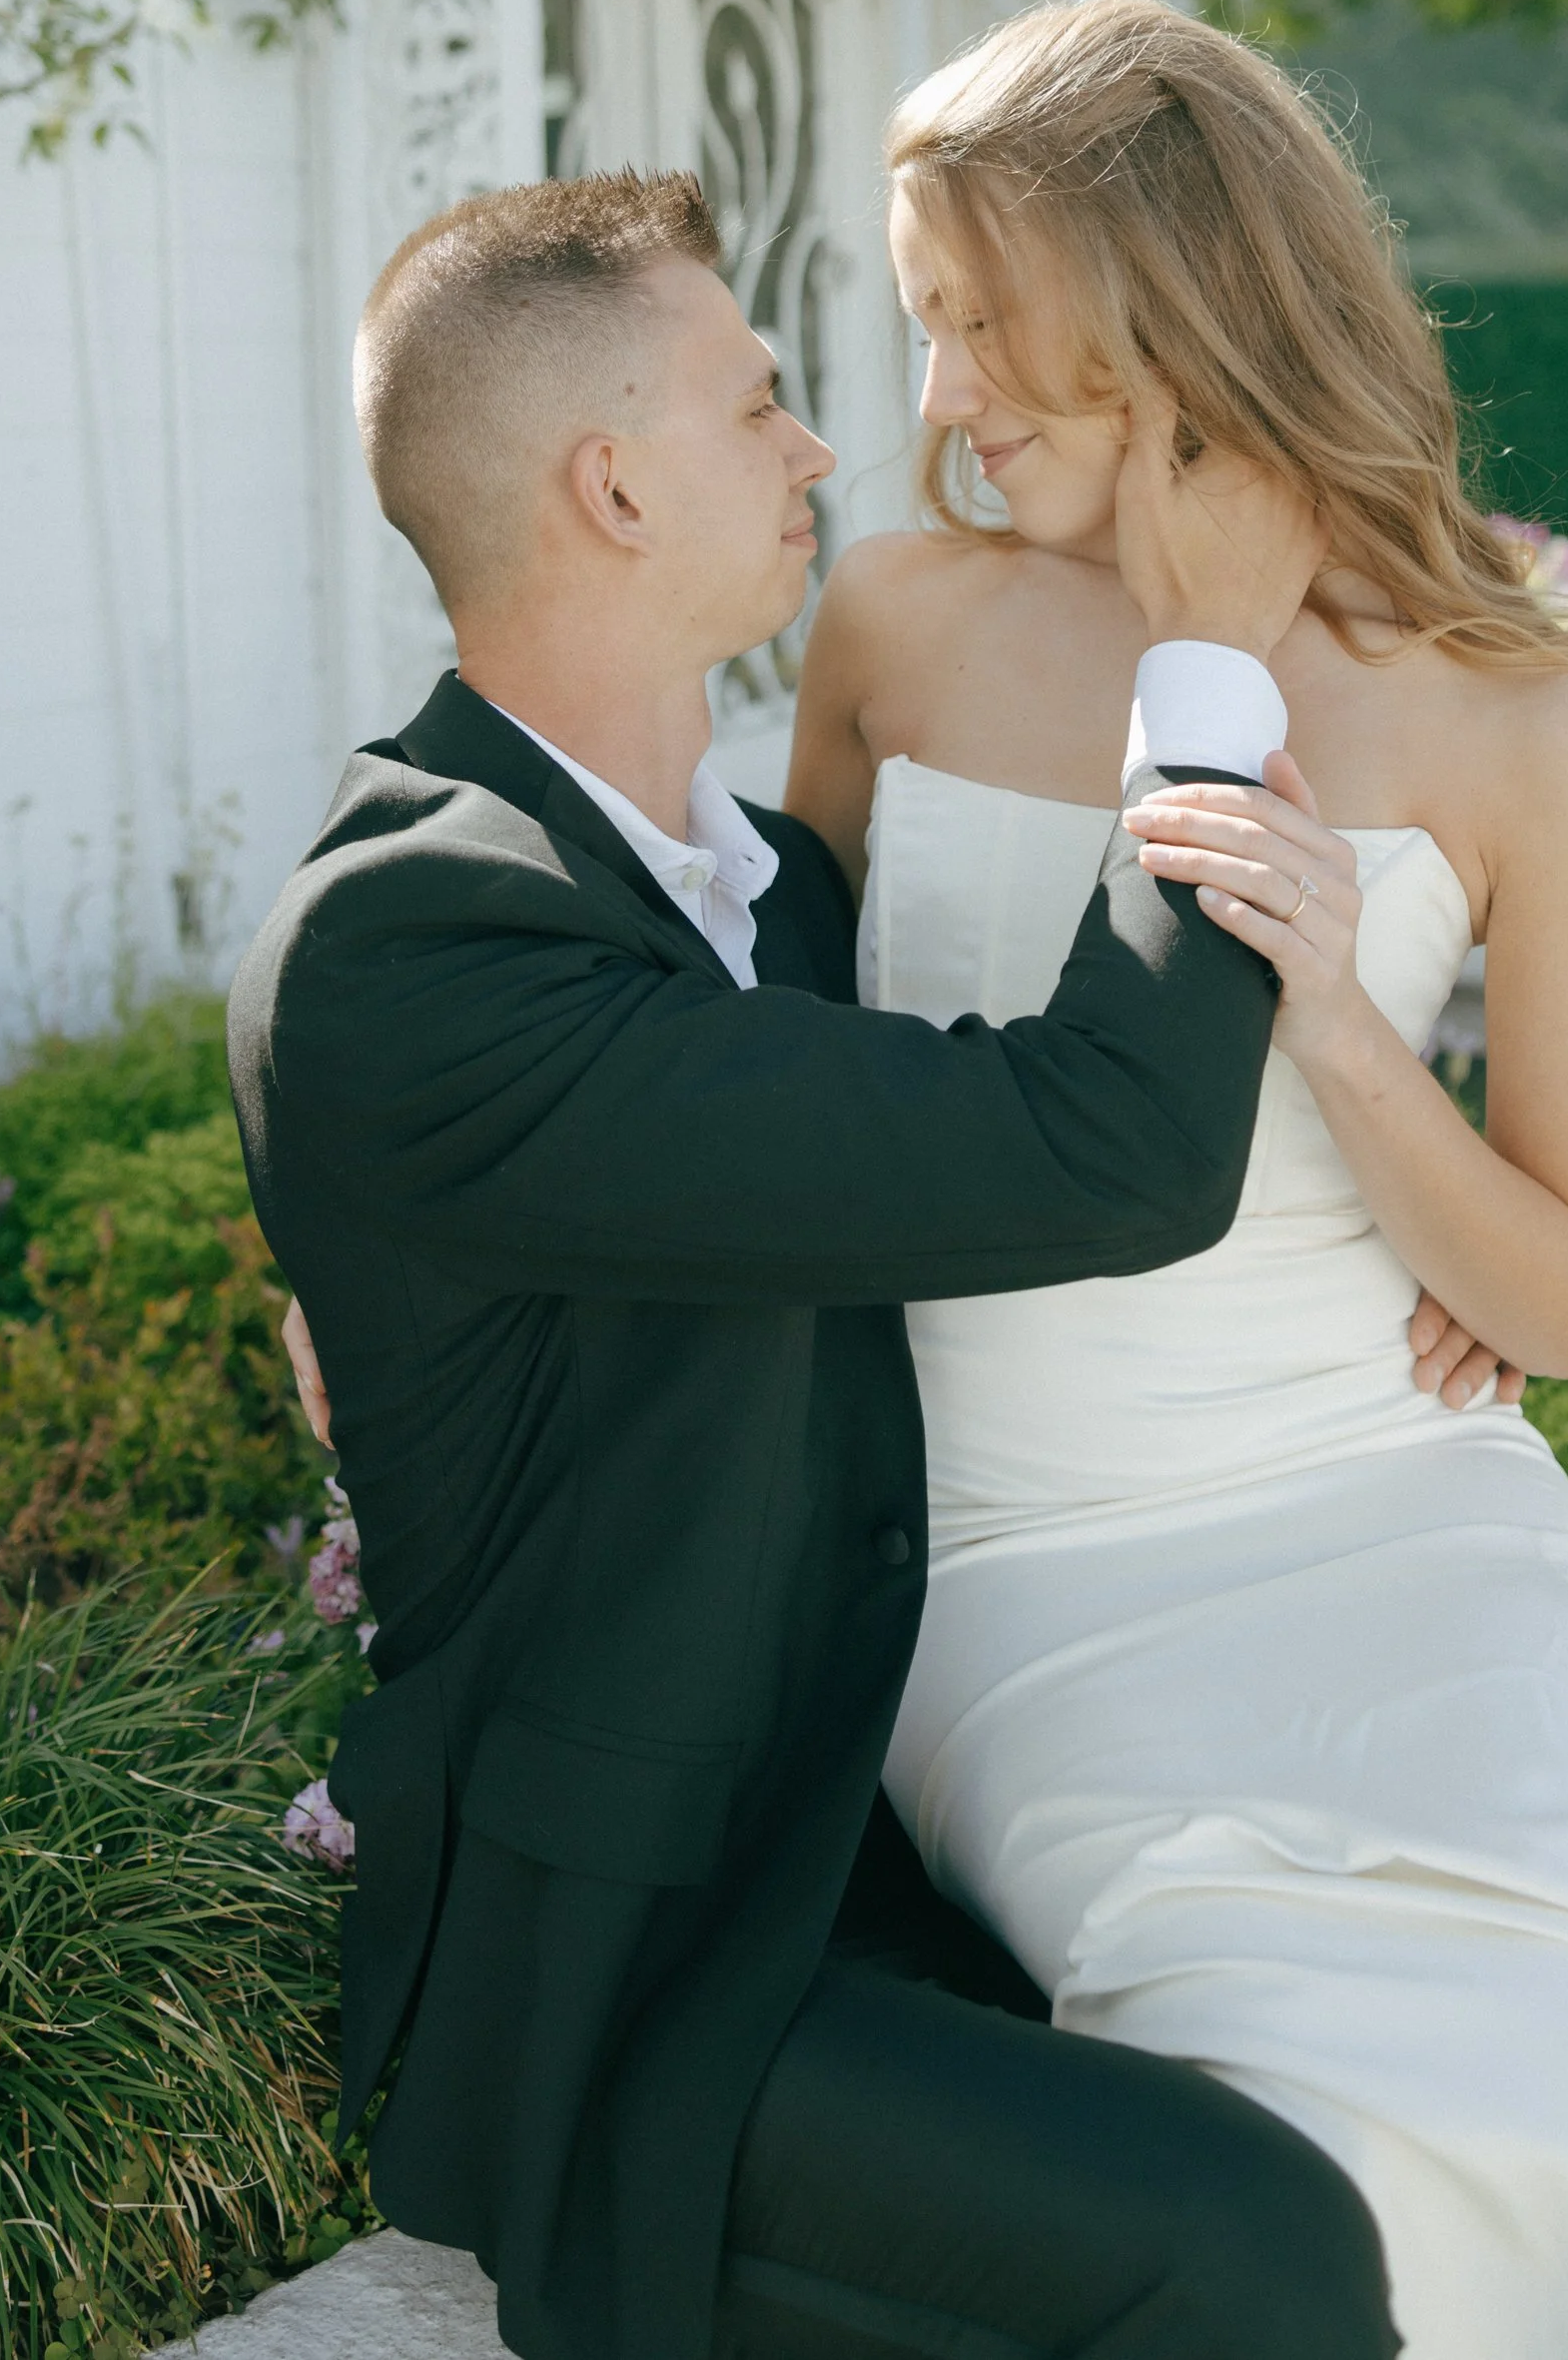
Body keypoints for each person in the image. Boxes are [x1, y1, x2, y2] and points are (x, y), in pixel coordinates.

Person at [782, 0, 1568, 2360]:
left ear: (1170, 301)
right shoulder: (892, 623)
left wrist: (1335, 1028)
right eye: (924, 320)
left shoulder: (1538, 728)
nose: (945, 390)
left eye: (988, 321)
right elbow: (769, 1081)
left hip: (1389, 1510)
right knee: (1363, 2129)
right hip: (1013, 1558)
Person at [229, 166, 1407, 2360]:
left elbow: (932, 1188)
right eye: (758, 400)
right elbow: (1108, 1143)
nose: (818, 447)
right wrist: (1210, 663)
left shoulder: (761, 880)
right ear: (608, 484)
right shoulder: (408, 941)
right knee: (1254, 2251)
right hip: (643, 1961)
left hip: (900, 1789)